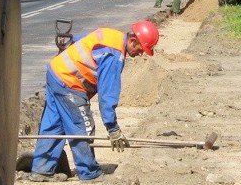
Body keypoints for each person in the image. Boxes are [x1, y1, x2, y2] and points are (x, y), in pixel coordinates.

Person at [29, 20, 160, 183]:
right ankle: (90, 173)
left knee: (54, 124)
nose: (140, 54)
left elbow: (77, 41)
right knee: (83, 126)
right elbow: (107, 94)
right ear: (133, 40)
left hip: (56, 72)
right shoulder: (114, 55)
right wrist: (113, 128)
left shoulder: (112, 35)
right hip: (70, 83)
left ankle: (41, 170)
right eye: (141, 49)